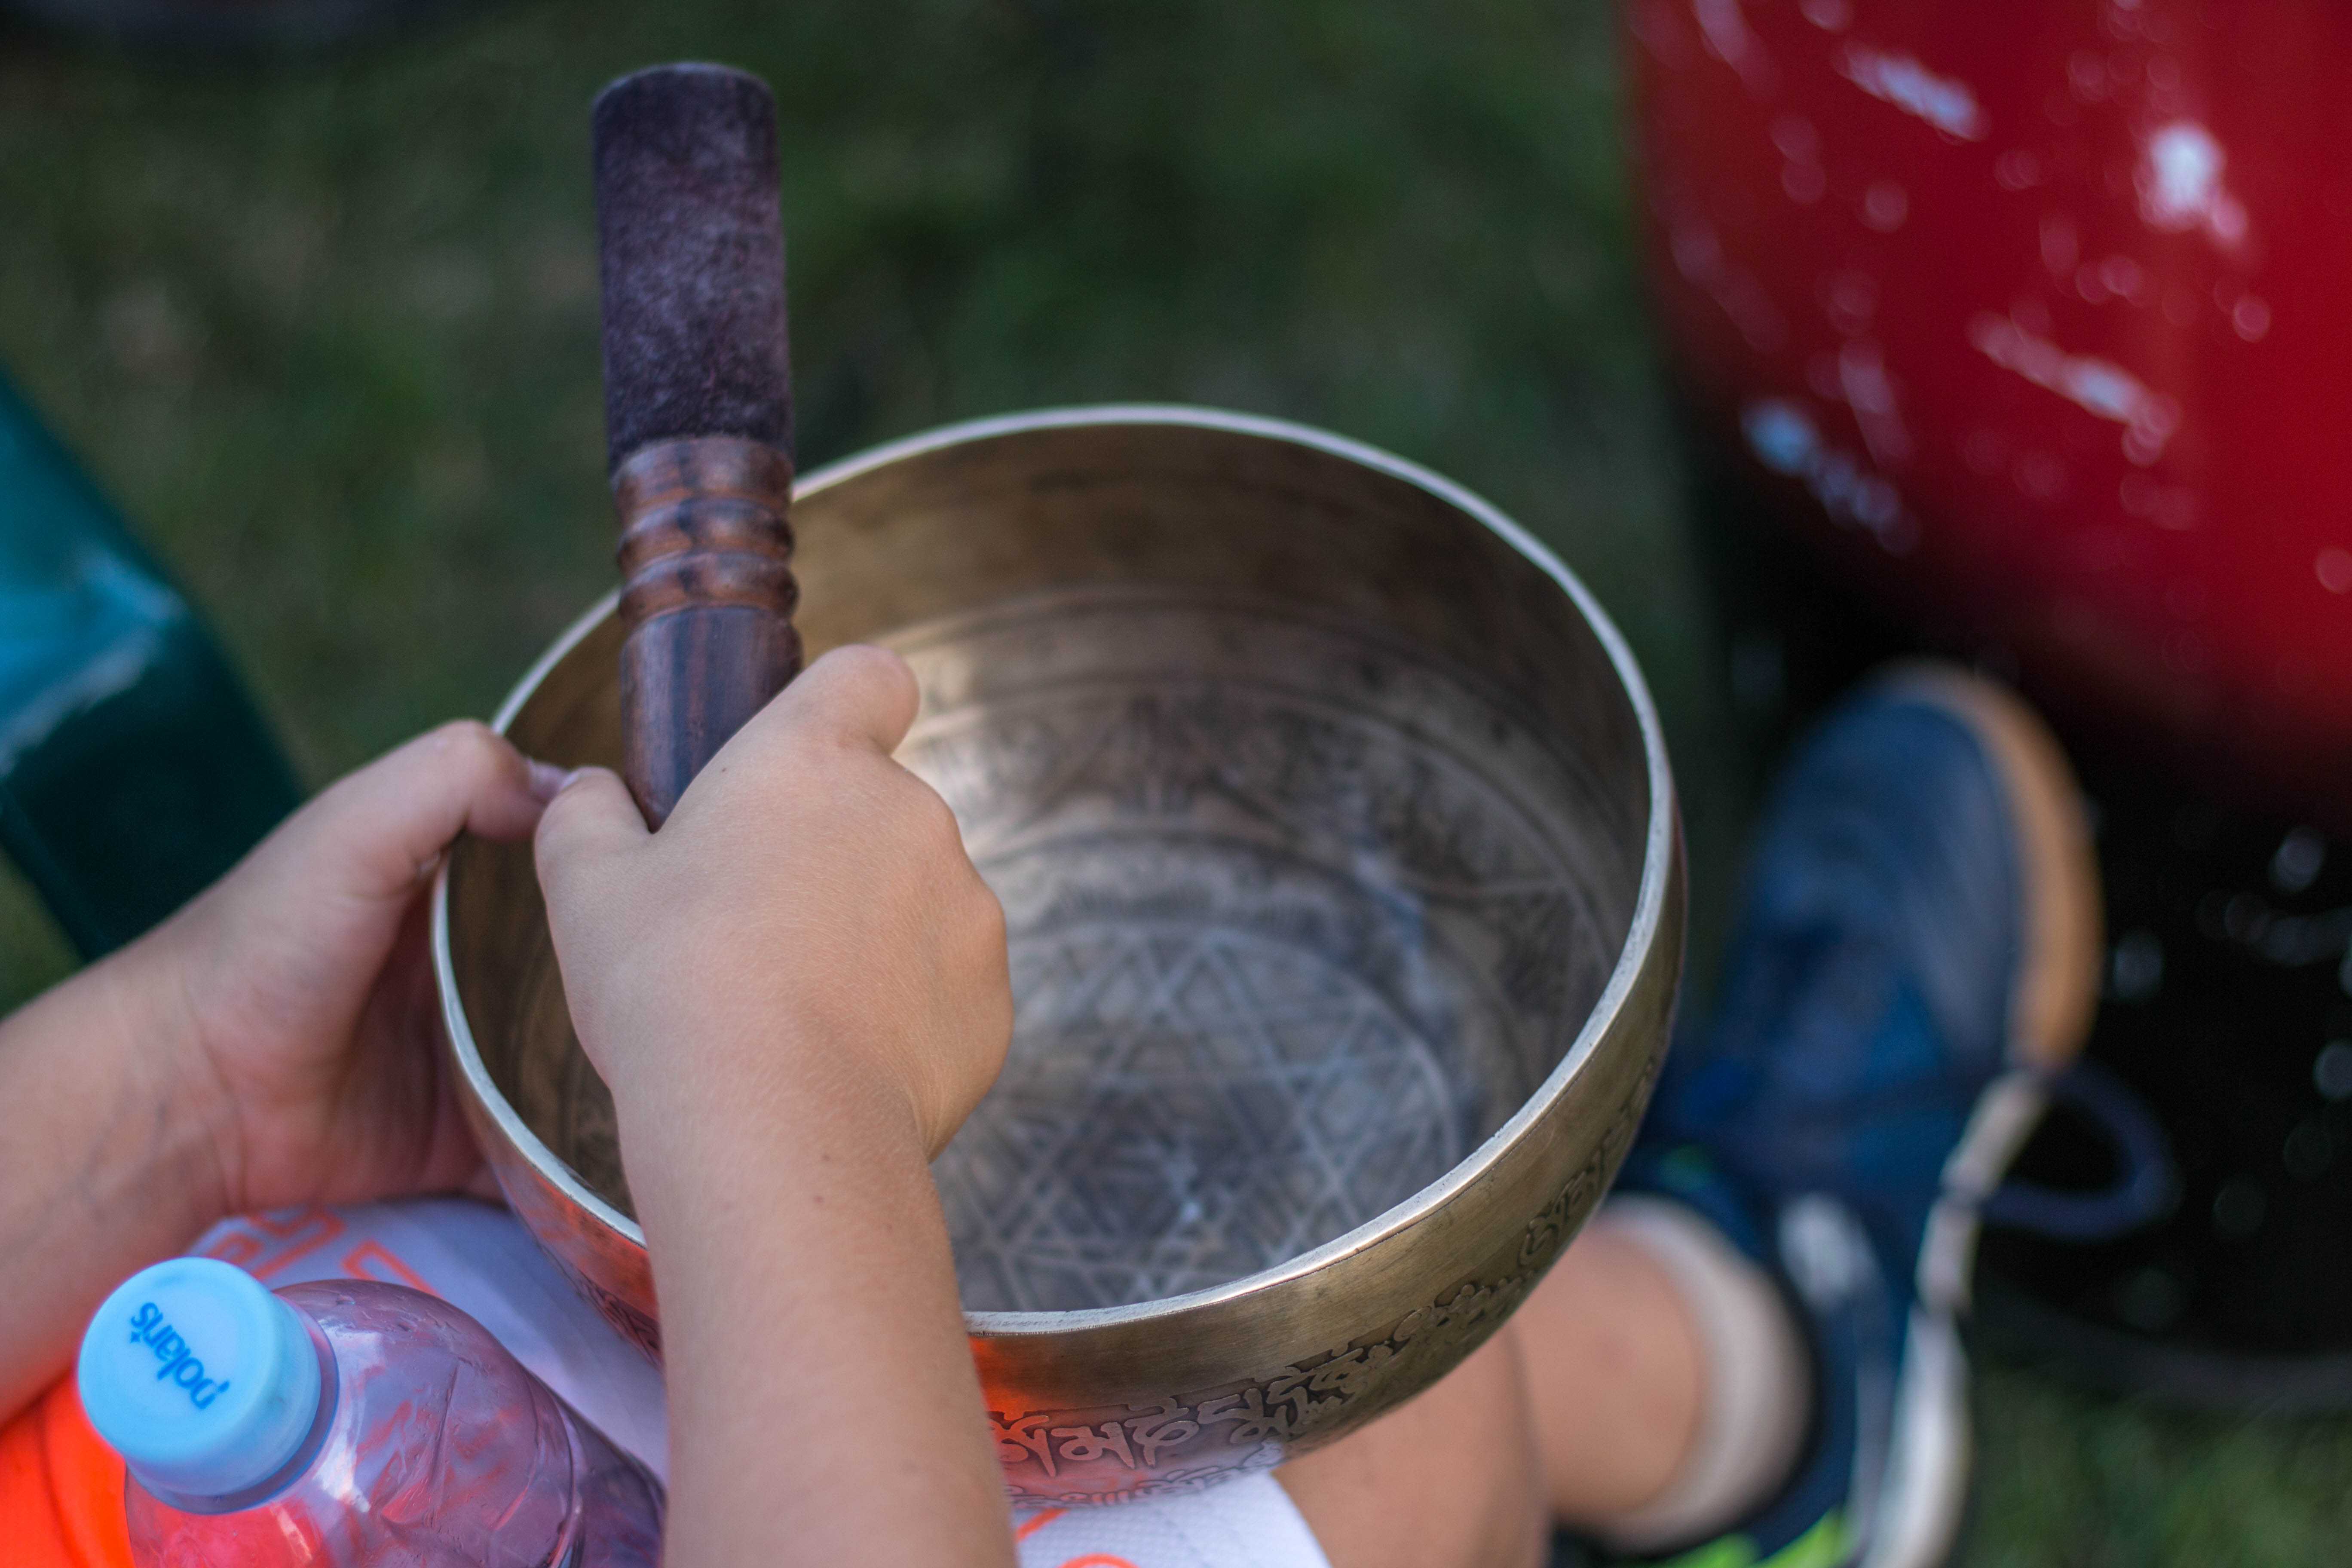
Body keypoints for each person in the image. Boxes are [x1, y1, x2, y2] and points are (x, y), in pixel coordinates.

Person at [0, 645, 2098, 1568]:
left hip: (208, 1414)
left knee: (1104, 1316)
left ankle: (1724, 1366)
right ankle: (1784, 1394)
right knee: (1355, 1402)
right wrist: (784, 1076)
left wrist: (187, 1091)